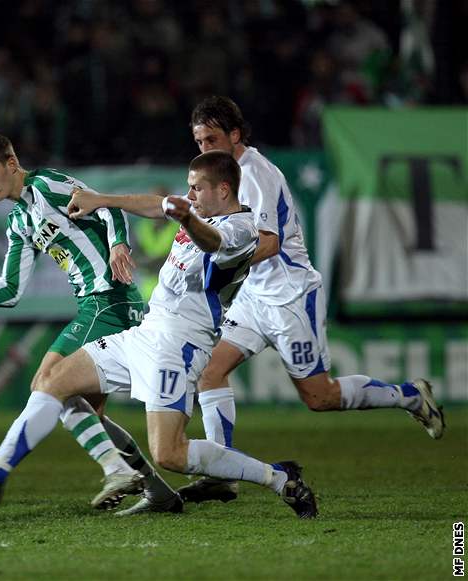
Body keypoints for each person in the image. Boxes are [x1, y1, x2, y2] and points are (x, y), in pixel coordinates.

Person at [0, 151, 319, 519]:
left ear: (223, 190)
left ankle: (278, 477)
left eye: (197, 188)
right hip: (145, 332)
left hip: (179, 345)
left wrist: (187, 220)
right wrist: (104, 199)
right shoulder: (194, 208)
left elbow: (212, 243)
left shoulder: (241, 229)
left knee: (171, 454)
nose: (190, 195)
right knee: (54, 383)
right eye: (188, 188)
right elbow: (152, 204)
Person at [177, 96, 445, 505]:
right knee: (209, 372)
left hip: (289, 296)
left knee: (320, 397)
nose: (205, 148)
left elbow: (268, 243)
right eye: (199, 141)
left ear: (235, 135)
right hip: (252, 297)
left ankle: (409, 395)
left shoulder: (257, 174)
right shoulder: (215, 174)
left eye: (212, 138)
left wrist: (222, 261)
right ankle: (223, 472)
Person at [0, 132, 181, 512]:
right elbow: (11, 290)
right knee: (79, 406)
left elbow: (106, 206)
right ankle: (155, 491)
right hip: (92, 305)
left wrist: (117, 244)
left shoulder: (48, 185)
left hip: (109, 300)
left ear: (11, 163)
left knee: (49, 384)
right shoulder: (19, 221)